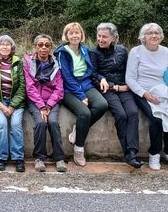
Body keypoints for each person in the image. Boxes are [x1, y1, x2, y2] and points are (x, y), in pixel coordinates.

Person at [126, 23, 168, 171]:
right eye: (150, 33)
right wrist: (145, 94)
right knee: (157, 119)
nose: (154, 35)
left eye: (157, 33)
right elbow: (130, 79)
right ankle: (154, 153)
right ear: (143, 37)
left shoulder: (167, 52)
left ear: (161, 36)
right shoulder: (136, 52)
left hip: (164, 91)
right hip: (143, 92)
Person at [54, 22, 109, 167]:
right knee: (85, 114)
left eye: (77, 33)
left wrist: (101, 78)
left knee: (102, 105)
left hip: (85, 85)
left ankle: (78, 129)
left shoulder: (85, 50)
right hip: (68, 90)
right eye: (71, 33)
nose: (74, 36)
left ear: (81, 35)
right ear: (66, 36)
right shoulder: (62, 52)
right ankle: (79, 149)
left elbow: (92, 71)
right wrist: (81, 96)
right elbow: (66, 77)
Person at [89, 22, 142, 169]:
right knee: (121, 115)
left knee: (132, 113)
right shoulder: (93, 53)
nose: (100, 39)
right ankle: (128, 154)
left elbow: (130, 70)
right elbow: (92, 75)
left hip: (125, 88)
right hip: (108, 89)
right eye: (99, 36)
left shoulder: (122, 50)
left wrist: (128, 85)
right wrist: (104, 80)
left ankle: (132, 151)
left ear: (114, 37)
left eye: (104, 36)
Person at [0, 34, 26, 172]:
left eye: (8, 44)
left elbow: (22, 87)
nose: (5, 47)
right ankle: (1, 157)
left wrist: (12, 105)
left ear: (12, 48)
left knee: (15, 125)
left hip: (16, 103)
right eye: (2, 44)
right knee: (1, 124)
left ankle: (18, 158)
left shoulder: (18, 63)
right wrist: (0, 105)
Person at [24, 34, 66, 172]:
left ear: (50, 47)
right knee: (41, 123)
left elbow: (59, 89)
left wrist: (48, 105)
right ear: (35, 47)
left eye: (47, 45)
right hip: (35, 102)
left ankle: (59, 158)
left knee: (53, 122)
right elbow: (30, 87)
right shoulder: (29, 64)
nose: (43, 48)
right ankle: (39, 158)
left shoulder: (56, 64)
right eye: (40, 45)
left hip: (51, 102)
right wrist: (41, 106)